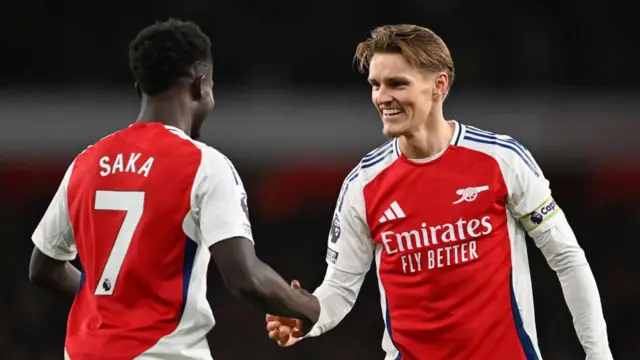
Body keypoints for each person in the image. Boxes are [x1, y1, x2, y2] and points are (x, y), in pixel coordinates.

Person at [265, 24, 613, 360]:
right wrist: (305, 318)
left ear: (438, 86)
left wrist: (598, 354)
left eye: (396, 84)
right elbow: (339, 289)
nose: (382, 98)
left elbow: (567, 258)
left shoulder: (500, 161)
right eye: (375, 85)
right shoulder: (363, 186)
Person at [28, 19, 319, 360]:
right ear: (201, 85)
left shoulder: (86, 162)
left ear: (140, 89)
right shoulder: (204, 165)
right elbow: (245, 277)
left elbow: (43, 268)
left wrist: (109, 301)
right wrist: (308, 307)